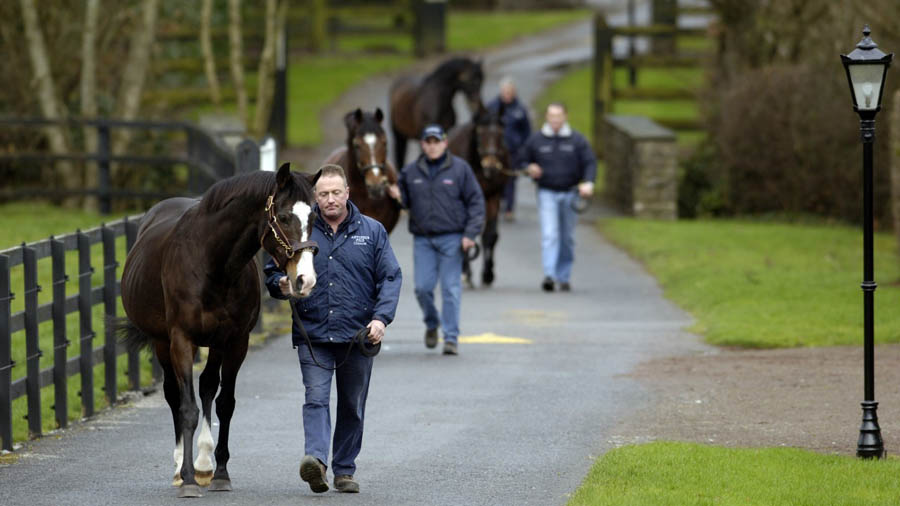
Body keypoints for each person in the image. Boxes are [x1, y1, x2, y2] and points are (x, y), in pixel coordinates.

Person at [264, 164, 402, 494]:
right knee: (315, 398)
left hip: (358, 336)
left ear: (347, 193)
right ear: (315, 197)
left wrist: (381, 319)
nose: (330, 200)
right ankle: (316, 461)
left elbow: (391, 277)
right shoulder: (300, 228)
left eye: (335, 193)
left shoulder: (372, 231)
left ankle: (344, 469)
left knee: (352, 405)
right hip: (313, 334)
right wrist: (279, 283)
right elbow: (271, 271)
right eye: (323, 194)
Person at [387, 124, 485, 356]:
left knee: (451, 288)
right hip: (423, 240)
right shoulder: (410, 172)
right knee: (422, 288)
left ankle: (451, 337)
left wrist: (470, 235)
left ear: (445, 143)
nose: (432, 146)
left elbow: (476, 203)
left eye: (436, 142)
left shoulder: (460, 170)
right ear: (422, 145)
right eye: (428, 142)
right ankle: (432, 323)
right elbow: (404, 201)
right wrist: (397, 195)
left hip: (453, 238)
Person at [519, 102, 596, 292]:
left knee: (567, 237)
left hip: (570, 193)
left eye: (558, 116)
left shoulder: (576, 140)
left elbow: (590, 162)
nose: (555, 120)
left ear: (565, 117)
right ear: (547, 117)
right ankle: (550, 275)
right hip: (547, 192)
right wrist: (529, 168)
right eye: (551, 116)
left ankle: (564, 275)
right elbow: (522, 159)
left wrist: (588, 183)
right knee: (550, 234)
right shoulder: (537, 140)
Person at [486, 76, 531, 222]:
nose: (507, 94)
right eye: (505, 91)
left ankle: (509, 209)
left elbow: (526, 130)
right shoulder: (492, 107)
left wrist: (522, 147)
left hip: (512, 150)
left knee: (510, 179)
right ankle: (495, 204)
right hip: (495, 151)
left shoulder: (520, 109)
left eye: (510, 91)